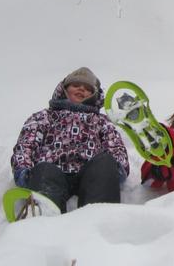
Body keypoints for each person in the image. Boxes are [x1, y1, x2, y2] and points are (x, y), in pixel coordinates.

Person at [11, 67, 130, 213]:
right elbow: (26, 144)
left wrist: (117, 168)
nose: (81, 89)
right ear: (64, 89)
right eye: (76, 85)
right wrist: (22, 169)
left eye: (88, 88)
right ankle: (44, 218)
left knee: (105, 162)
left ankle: (99, 217)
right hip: (53, 169)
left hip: (89, 172)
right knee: (44, 169)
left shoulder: (101, 121)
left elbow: (115, 145)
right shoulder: (44, 116)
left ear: (94, 95)